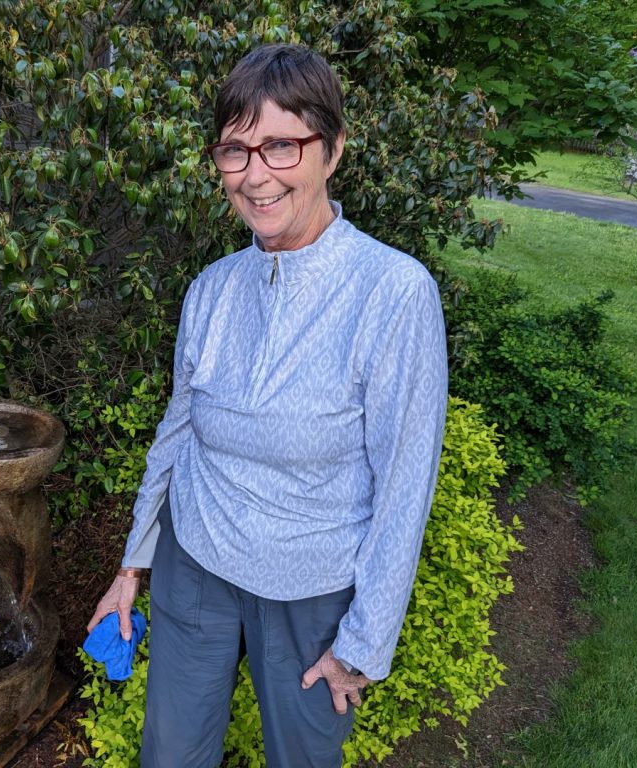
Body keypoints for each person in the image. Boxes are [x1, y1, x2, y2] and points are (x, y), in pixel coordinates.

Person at [87, 43, 448, 768]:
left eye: (281, 145)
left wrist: (365, 643)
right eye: (234, 151)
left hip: (312, 591)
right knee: (171, 757)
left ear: (332, 151)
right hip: (198, 564)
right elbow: (177, 433)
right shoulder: (214, 288)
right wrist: (134, 566)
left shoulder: (392, 293)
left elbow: (406, 483)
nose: (255, 176)